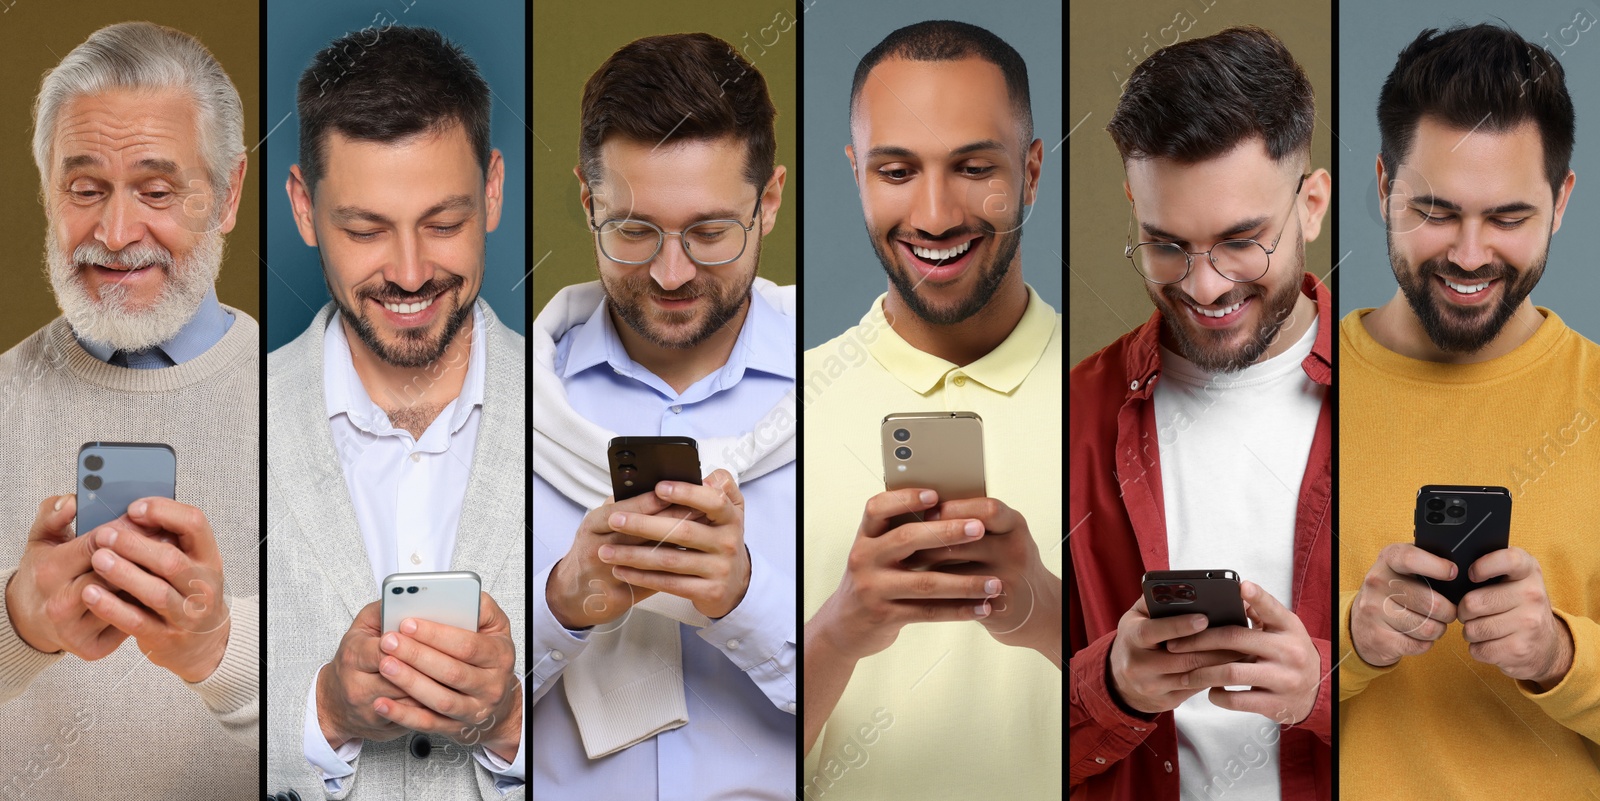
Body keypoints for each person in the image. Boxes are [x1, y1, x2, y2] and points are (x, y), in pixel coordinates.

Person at [1070, 26, 1335, 800]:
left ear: (1310, 204)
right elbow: (998, 736)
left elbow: (1466, 715)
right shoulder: (1076, 413)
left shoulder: (1403, 396)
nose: (1206, 285)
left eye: (1241, 242)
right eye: (1166, 245)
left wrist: (1325, 684)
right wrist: (1111, 685)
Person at [529, 32, 796, 799]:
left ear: (769, 202)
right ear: (587, 201)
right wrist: (560, 604)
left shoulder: (842, 391)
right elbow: (440, 712)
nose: (671, 272)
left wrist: (744, 597)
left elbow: (891, 694)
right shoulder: (503, 401)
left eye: (709, 232)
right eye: (635, 231)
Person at [1339, 24, 1600, 799]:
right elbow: (1210, 689)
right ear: (1383, 185)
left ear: (1561, 202)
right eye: (1436, 211)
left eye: (1508, 217)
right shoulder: (1290, 389)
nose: (1469, 253)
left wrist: (1558, 653)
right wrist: (1353, 642)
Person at [264, 27, 525, 799]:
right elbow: (169, 728)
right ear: (305, 210)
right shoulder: (236, 418)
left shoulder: (580, 407)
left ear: (493, 192)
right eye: (366, 229)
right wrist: (323, 714)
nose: (410, 273)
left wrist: (513, 722)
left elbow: (652, 724)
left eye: (443, 223)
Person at [0, 21, 259, 798]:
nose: (115, 235)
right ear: (47, 188)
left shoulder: (317, 399)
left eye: (155, 190)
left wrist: (221, 646)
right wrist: (17, 624)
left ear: (227, 194)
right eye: (85, 189)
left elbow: (373, 719)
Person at [803, 20, 1059, 800]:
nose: (937, 214)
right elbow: (721, 753)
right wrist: (840, 632)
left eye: (974, 167)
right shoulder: (786, 409)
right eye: (896, 171)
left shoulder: (1117, 394)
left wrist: (1044, 609)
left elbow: (1187, 718)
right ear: (856, 174)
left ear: (1032, 171)